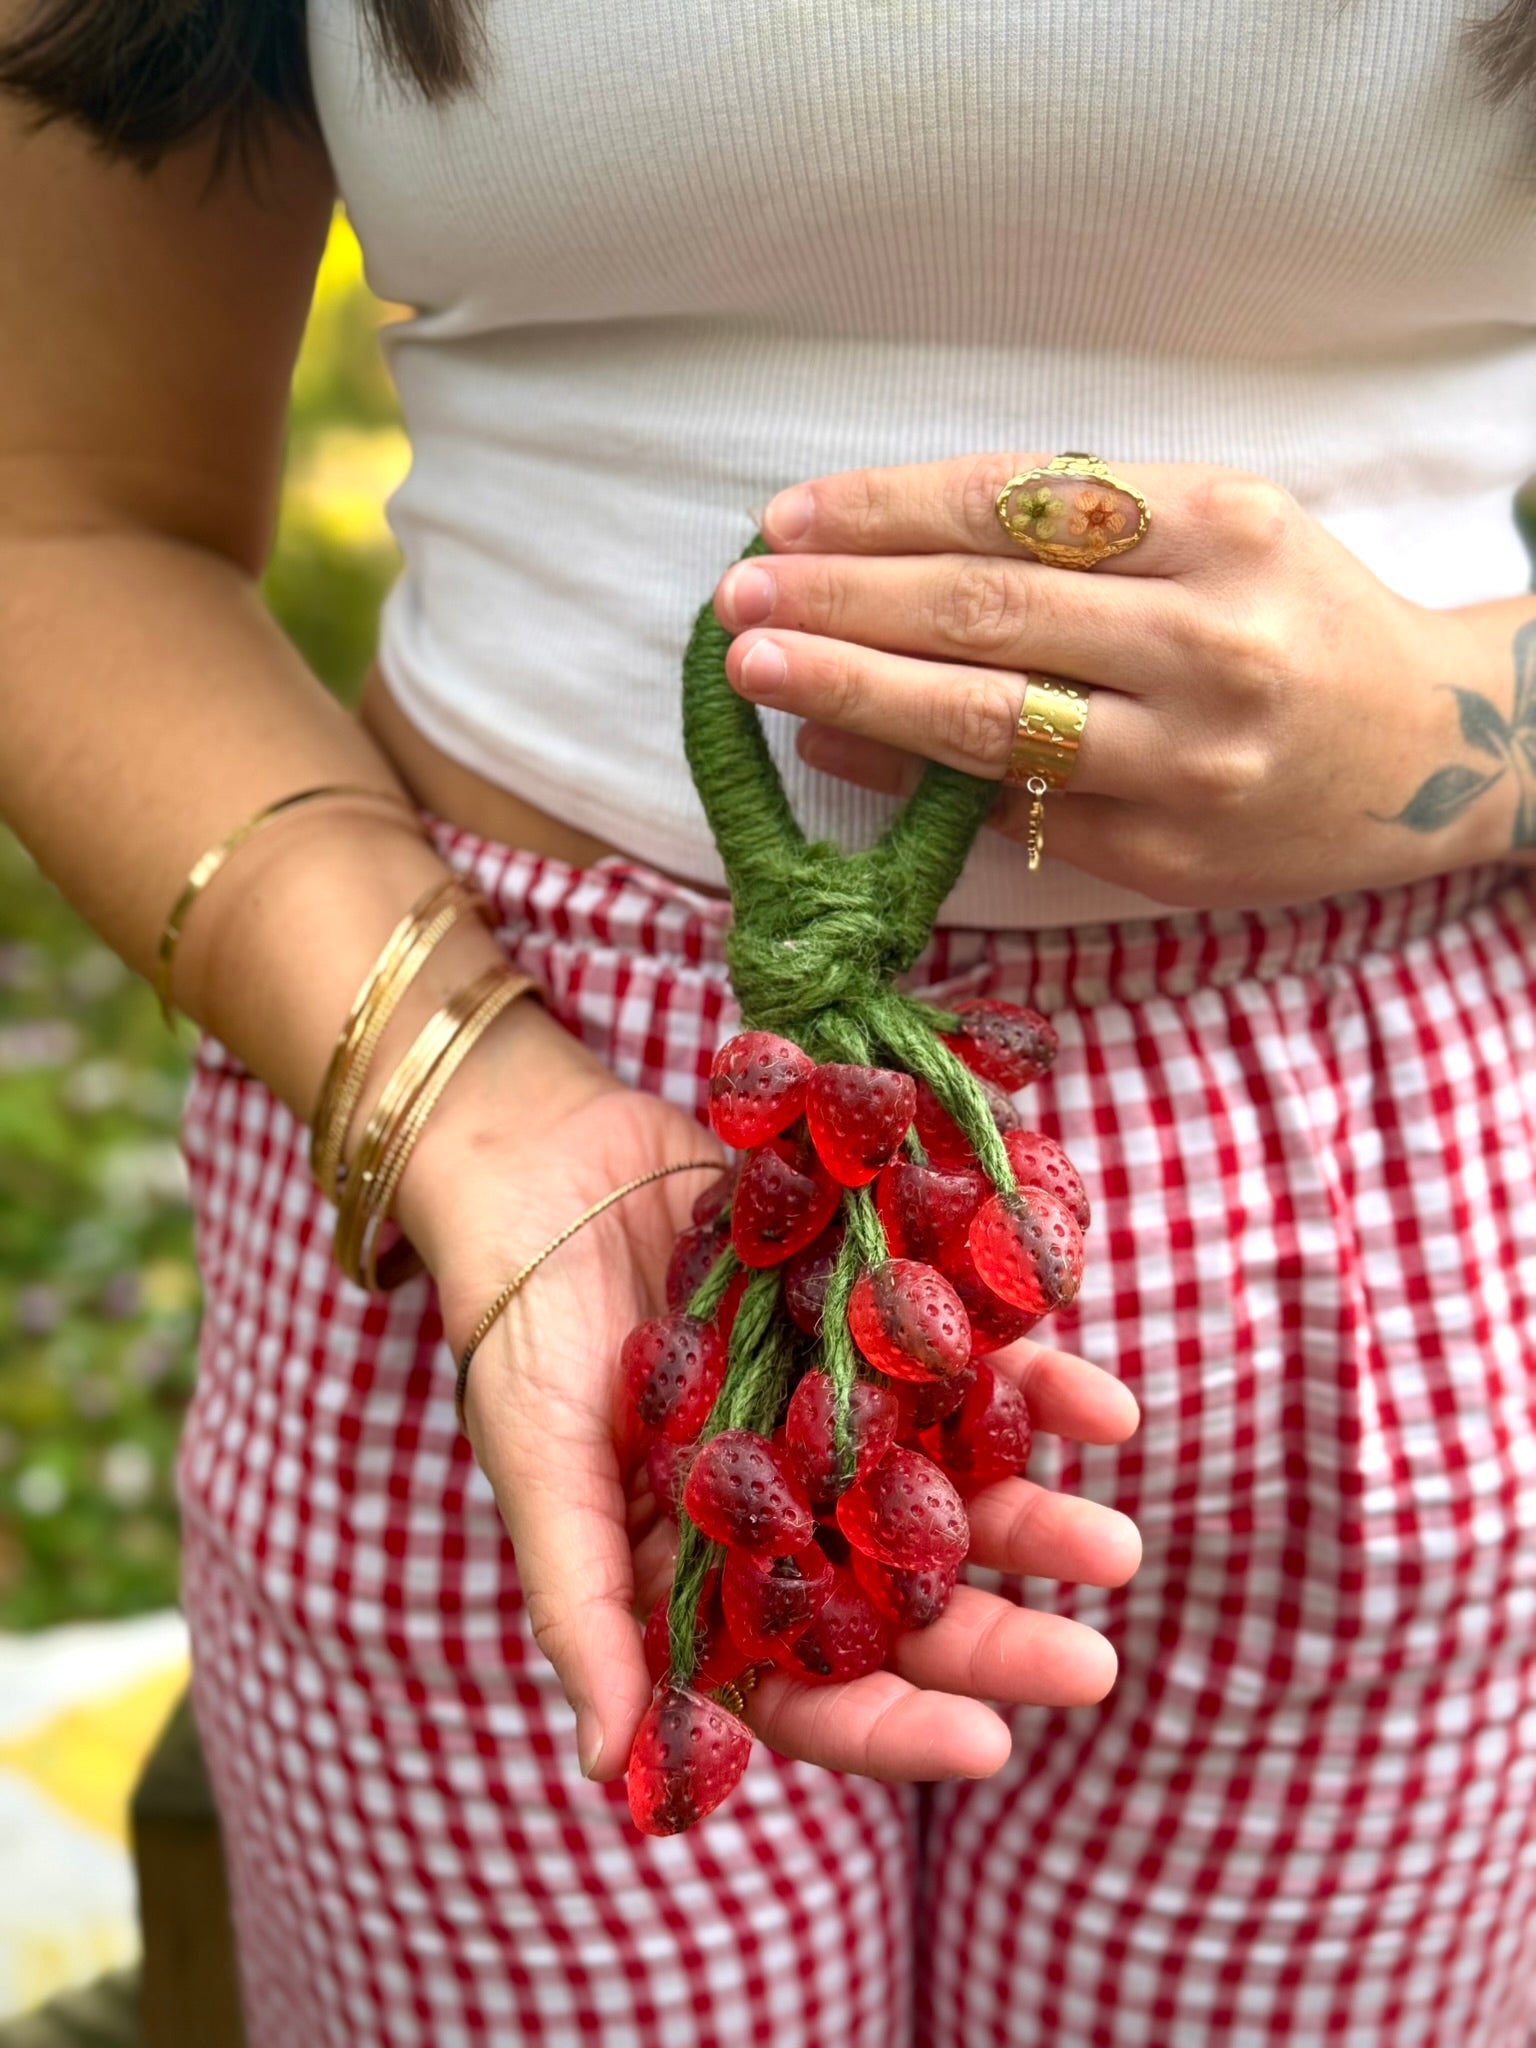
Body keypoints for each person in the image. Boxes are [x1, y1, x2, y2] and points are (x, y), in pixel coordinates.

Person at [1, 0, 1533, 2040]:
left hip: (1382, 1180)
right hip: (504, 1144)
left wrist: (1456, 737)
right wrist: (457, 1094)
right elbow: (55, 505)